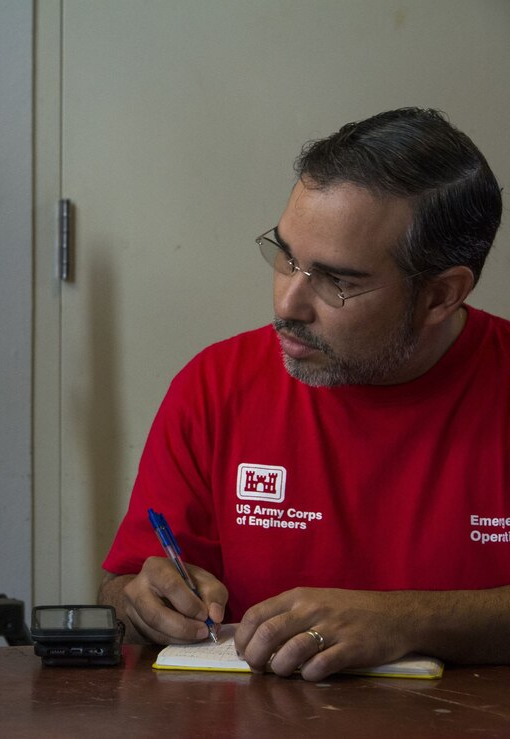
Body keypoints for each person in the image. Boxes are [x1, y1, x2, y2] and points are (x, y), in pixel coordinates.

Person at [99, 107, 507, 680]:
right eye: (287, 256)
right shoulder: (216, 386)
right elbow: (122, 589)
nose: (288, 305)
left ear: (442, 295)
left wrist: (408, 620)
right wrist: (138, 602)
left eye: (337, 280)